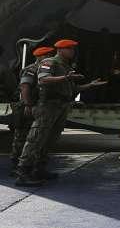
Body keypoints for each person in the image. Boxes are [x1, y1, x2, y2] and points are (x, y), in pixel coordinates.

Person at [15, 39, 106, 186]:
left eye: (72, 49)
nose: (72, 51)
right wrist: (66, 77)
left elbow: (71, 89)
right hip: (48, 106)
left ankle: (39, 168)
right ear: (60, 50)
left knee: (50, 139)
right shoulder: (50, 62)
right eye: (69, 49)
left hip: (61, 106)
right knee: (36, 139)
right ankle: (23, 172)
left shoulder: (64, 66)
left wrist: (89, 85)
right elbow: (43, 80)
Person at [9, 47, 55, 177]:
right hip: (27, 106)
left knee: (36, 138)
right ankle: (16, 167)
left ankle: (36, 168)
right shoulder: (31, 69)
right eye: (48, 55)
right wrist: (28, 105)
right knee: (21, 137)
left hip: (36, 106)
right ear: (39, 56)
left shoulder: (45, 69)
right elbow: (25, 87)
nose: (50, 57)